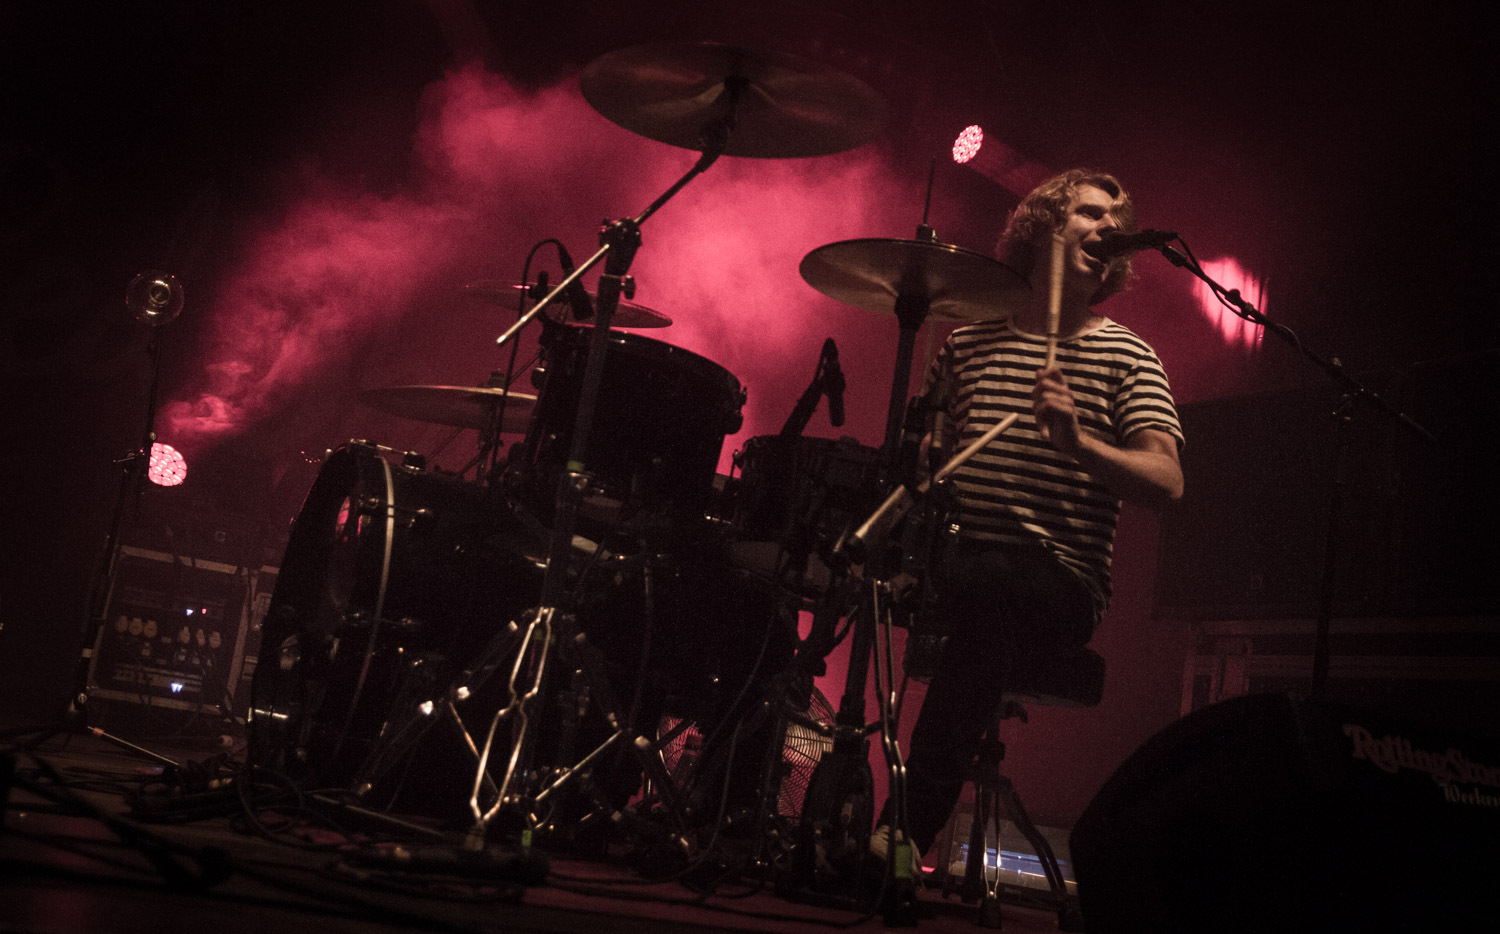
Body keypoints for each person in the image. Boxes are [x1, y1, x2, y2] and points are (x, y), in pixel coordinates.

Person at [877, 168, 1186, 868]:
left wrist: (1080, 443)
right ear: (1041, 229)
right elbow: (925, 458)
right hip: (955, 565)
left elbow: (1167, 482)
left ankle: (901, 833)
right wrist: (921, 467)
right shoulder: (968, 343)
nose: (1108, 227)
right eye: (1088, 212)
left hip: (1059, 584)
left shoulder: (1126, 355)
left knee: (994, 590)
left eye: (1116, 218)